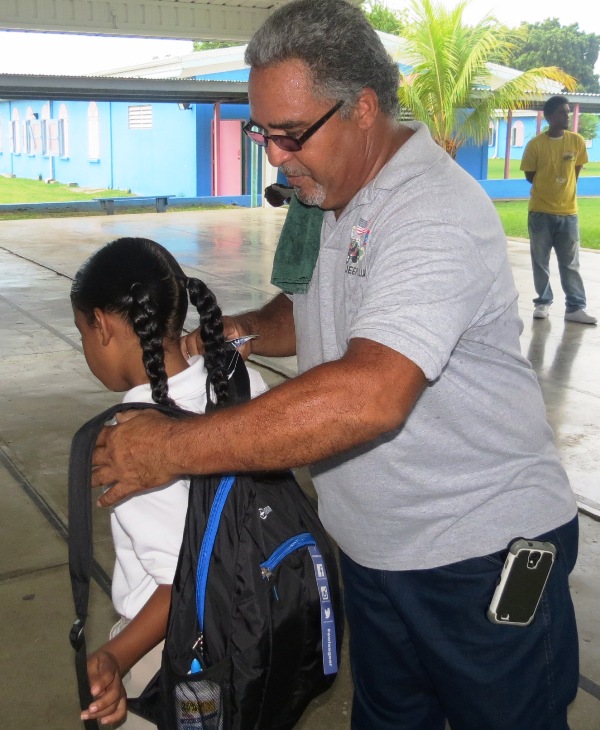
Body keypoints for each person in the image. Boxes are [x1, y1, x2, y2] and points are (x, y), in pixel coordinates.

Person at [90, 2, 580, 728]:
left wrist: (171, 450)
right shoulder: (331, 198)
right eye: (263, 133)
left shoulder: (431, 213)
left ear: (364, 109)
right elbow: (319, 312)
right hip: (379, 553)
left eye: (289, 135)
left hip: (478, 554)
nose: (275, 157)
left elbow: (371, 393)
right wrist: (239, 333)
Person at [70, 237, 268, 727]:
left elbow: (178, 584)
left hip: (175, 655)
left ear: (103, 325)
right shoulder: (237, 378)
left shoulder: (131, 448)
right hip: (249, 625)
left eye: (82, 332)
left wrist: (116, 656)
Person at [521, 95, 597, 324]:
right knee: (540, 260)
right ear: (551, 116)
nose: (568, 116)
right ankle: (543, 302)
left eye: (568, 111)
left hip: (568, 213)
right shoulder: (536, 144)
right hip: (540, 213)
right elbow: (529, 176)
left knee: (570, 263)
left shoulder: (576, 141)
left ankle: (575, 307)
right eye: (563, 112)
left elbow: (576, 170)